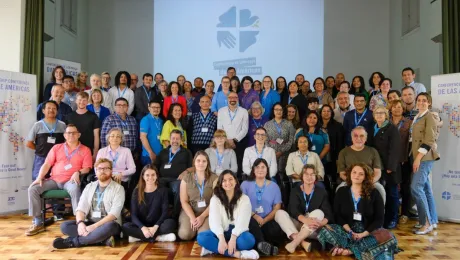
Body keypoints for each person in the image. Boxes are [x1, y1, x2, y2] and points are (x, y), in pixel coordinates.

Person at [318, 164, 398, 258]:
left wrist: (363, 234)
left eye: (361, 174)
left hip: (367, 231)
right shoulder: (341, 191)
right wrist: (349, 231)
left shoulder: (374, 193)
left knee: (388, 237)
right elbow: (337, 214)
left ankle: (349, 250)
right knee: (325, 230)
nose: (356, 176)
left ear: (365, 177)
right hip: (346, 231)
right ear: (350, 174)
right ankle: (359, 248)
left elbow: (379, 219)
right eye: (354, 172)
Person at [26, 124, 92, 236]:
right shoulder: (57, 148)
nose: (71, 135)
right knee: (33, 189)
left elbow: (88, 167)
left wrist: (78, 172)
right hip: (54, 180)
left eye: (74, 132)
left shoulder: (85, 149)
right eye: (68, 133)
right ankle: (38, 221)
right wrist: (39, 177)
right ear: (64, 135)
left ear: (78, 135)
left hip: (70, 181)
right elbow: (47, 164)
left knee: (75, 188)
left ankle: (79, 221)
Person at [52, 158, 124, 249]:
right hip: (90, 222)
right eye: (100, 169)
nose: (103, 171)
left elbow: (114, 214)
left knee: (111, 226)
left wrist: (94, 227)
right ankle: (102, 240)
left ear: (111, 170)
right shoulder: (89, 186)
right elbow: (81, 208)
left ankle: (73, 242)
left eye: (106, 168)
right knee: (65, 226)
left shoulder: (118, 189)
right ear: (96, 171)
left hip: (107, 224)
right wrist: (80, 223)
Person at [197, 170, 259, 259]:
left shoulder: (245, 199)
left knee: (249, 241)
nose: (228, 183)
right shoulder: (215, 199)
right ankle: (237, 254)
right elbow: (214, 221)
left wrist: (233, 239)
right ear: (221, 184)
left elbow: (243, 222)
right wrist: (221, 239)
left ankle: (214, 249)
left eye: (230, 179)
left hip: (238, 234)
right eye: (224, 180)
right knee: (201, 237)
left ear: (235, 181)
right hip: (220, 233)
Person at [277, 164, 333, 253]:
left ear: (316, 177)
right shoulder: (295, 190)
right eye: (306, 174)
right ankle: (302, 242)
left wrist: (320, 223)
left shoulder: (322, 192)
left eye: (312, 174)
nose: (309, 177)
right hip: (298, 224)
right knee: (279, 213)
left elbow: (328, 213)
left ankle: (294, 242)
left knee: (319, 212)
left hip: (313, 228)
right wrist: (305, 220)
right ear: (302, 176)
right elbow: (293, 210)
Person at [410, 92, 440, 235]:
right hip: (418, 156)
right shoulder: (417, 116)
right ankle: (432, 220)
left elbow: (429, 140)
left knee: (416, 188)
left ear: (429, 103)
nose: (421, 102)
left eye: (424, 100)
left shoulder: (430, 116)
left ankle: (426, 223)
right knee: (426, 189)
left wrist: (417, 158)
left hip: (425, 158)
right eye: (419, 100)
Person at [123, 165, 177, 243]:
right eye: (147, 175)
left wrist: (155, 227)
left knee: (170, 224)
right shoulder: (136, 191)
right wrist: (143, 228)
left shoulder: (163, 191)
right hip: (142, 224)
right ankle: (159, 237)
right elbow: (133, 215)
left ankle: (140, 237)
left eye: (153, 175)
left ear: (156, 176)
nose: (150, 177)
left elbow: (165, 212)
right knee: (125, 227)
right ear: (143, 176)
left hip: (157, 224)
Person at [242, 159, 284, 256]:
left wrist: (264, 220)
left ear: (267, 169)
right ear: (253, 169)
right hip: (250, 218)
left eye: (263, 167)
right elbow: (242, 205)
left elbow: (277, 207)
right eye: (257, 167)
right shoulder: (245, 184)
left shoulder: (274, 186)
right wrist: (256, 216)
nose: (260, 169)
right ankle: (264, 245)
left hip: (268, 219)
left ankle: (260, 246)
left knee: (274, 231)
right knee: (252, 226)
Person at [337, 126, 386, 204]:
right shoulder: (343, 152)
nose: (358, 138)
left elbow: (378, 172)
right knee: (339, 188)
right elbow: (342, 173)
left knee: (380, 189)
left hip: (370, 181)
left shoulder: (373, 151)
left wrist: (369, 182)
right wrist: (353, 182)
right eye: (355, 136)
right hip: (350, 181)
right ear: (351, 138)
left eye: (361, 136)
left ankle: (380, 214)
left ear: (366, 138)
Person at [372, 106, 401, 229]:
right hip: (377, 167)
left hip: (389, 168)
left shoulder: (391, 128)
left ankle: (393, 218)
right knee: (380, 193)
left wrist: (390, 167)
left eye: (381, 113)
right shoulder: (372, 128)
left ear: (386, 115)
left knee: (392, 194)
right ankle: (382, 219)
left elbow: (395, 149)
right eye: (377, 113)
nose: (379, 115)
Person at [178, 151, 218, 240]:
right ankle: (192, 228)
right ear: (194, 162)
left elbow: (215, 201)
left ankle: (199, 229)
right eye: (198, 161)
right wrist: (192, 218)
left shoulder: (214, 178)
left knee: (203, 235)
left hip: (207, 212)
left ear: (207, 163)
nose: (201, 163)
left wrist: (202, 217)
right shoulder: (186, 178)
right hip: (190, 210)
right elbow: (184, 201)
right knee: (185, 234)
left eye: (204, 161)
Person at [155, 130, 193, 218]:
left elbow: (193, 167)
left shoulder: (187, 152)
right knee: (155, 186)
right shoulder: (163, 152)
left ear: (181, 140)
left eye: (177, 139)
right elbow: (155, 166)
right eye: (173, 138)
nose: (175, 141)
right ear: (169, 139)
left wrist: (186, 172)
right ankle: (159, 215)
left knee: (179, 187)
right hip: (162, 179)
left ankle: (175, 216)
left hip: (177, 179)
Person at [27, 101, 67, 180]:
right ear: (43, 111)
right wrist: (40, 149)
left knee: (57, 180)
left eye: (54, 108)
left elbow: (66, 142)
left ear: (57, 111)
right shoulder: (37, 125)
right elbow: (29, 143)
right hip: (41, 158)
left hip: (57, 159)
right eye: (48, 108)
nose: (51, 110)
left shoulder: (62, 125)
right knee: (38, 180)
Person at [388, 100, 413, 224]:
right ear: (390, 108)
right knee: (391, 188)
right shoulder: (386, 123)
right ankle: (392, 213)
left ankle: (404, 213)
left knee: (405, 187)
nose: (397, 109)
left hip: (404, 160)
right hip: (390, 161)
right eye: (394, 107)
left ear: (403, 109)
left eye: (399, 107)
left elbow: (411, 143)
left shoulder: (409, 123)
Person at [96, 128, 136, 196]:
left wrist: (121, 174)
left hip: (121, 180)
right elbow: (96, 168)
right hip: (105, 179)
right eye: (112, 136)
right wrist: (107, 175)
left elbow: (133, 169)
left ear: (121, 139)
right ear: (108, 138)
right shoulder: (102, 151)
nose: (115, 138)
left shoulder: (126, 151)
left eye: (118, 136)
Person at [217, 92, 249, 173]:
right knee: (225, 164)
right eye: (230, 97)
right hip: (224, 142)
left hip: (238, 143)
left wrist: (234, 140)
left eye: (235, 97)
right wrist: (226, 140)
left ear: (238, 99)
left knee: (237, 164)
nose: (232, 99)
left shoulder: (244, 111)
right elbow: (219, 128)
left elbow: (245, 129)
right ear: (227, 99)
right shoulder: (221, 111)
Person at [67, 92, 101, 160]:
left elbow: (96, 135)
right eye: (79, 100)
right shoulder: (69, 116)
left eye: (84, 100)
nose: (82, 102)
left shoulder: (93, 116)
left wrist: (95, 152)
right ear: (76, 100)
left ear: (87, 101)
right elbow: (66, 135)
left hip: (89, 150)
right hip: (72, 150)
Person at [264, 103, 295, 173]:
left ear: (283, 111)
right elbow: (265, 140)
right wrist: (272, 152)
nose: (278, 111)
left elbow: (291, 141)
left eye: (280, 110)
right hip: (271, 153)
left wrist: (281, 151)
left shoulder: (289, 124)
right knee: (272, 172)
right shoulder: (267, 124)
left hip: (285, 153)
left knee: (283, 172)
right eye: (276, 109)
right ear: (273, 111)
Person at [319, 105, 345, 185]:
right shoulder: (317, 125)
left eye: (328, 111)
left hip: (333, 155)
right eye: (324, 111)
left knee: (333, 178)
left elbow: (340, 143)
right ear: (320, 113)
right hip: (320, 154)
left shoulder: (338, 125)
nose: (326, 113)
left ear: (331, 113)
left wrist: (338, 158)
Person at [140, 100, 164, 166]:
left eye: (158, 107)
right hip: (149, 156)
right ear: (149, 108)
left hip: (159, 155)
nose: (156, 109)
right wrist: (150, 152)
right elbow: (143, 137)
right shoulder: (146, 119)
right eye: (153, 107)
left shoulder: (161, 121)